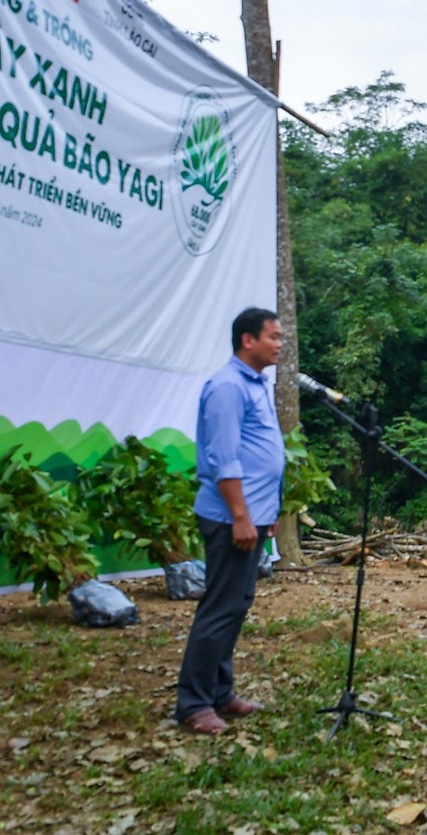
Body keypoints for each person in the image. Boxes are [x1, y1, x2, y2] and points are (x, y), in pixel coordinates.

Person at [176, 307, 288, 736]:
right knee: (219, 609)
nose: (279, 344)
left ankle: (221, 693)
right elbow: (224, 459)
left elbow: (262, 453)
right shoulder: (226, 387)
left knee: (236, 606)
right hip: (229, 519)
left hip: (253, 517)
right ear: (248, 340)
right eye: (273, 337)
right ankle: (194, 702)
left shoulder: (256, 384)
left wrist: (266, 514)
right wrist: (242, 516)